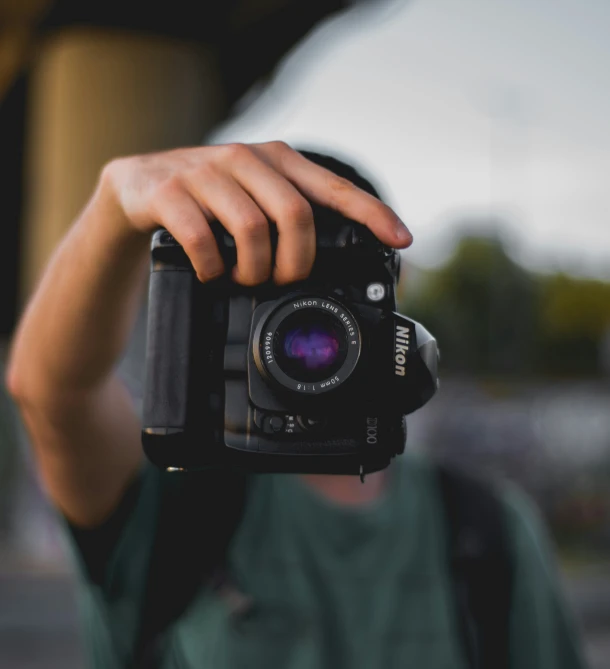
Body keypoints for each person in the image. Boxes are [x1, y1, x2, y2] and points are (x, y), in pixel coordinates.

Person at [6, 141, 585, 669]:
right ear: (224, 301)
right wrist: (114, 211)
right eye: (271, 290)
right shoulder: (179, 497)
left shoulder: (487, 531)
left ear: (389, 298)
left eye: (339, 287)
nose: (301, 334)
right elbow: (53, 394)